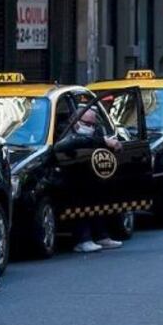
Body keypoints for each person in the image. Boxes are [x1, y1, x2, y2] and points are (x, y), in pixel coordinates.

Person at [55, 106, 124, 253]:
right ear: (75, 121)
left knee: (97, 201)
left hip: (90, 177)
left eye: (93, 124)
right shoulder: (65, 130)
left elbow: (99, 142)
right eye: (87, 124)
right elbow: (66, 144)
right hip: (69, 178)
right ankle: (83, 240)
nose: (91, 128)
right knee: (80, 203)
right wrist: (103, 141)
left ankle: (101, 236)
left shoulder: (96, 132)